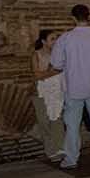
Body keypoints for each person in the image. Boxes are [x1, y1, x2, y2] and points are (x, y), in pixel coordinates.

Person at [50, 4, 90, 169]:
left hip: (73, 86)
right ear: (88, 16)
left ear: (73, 18)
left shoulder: (65, 38)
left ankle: (71, 158)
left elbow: (56, 63)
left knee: (72, 125)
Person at [31, 29, 65, 163]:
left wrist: (52, 72)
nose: (56, 41)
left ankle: (60, 148)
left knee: (57, 119)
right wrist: (53, 72)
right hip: (42, 91)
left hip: (58, 90)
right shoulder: (36, 55)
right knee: (44, 121)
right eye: (52, 39)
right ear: (44, 41)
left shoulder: (60, 55)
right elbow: (37, 75)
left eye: (57, 38)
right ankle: (50, 150)